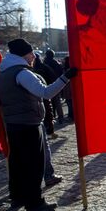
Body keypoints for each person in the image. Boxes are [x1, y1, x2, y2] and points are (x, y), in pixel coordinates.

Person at [0, 38, 78, 211]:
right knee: (34, 165)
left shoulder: (3, 71)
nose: (33, 56)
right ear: (23, 54)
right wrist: (66, 77)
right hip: (28, 125)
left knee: (17, 164)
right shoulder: (22, 72)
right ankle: (34, 203)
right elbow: (45, 92)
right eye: (31, 52)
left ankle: (17, 197)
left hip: (13, 124)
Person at [32, 54, 63, 188]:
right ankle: (47, 176)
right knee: (42, 149)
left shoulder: (35, 70)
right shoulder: (30, 73)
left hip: (26, 117)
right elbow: (47, 92)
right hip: (38, 111)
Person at [43, 49, 66, 123]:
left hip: (46, 84)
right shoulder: (56, 63)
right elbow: (61, 73)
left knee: (49, 103)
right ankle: (61, 118)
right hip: (57, 83)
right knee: (57, 102)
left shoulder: (44, 63)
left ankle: (52, 117)